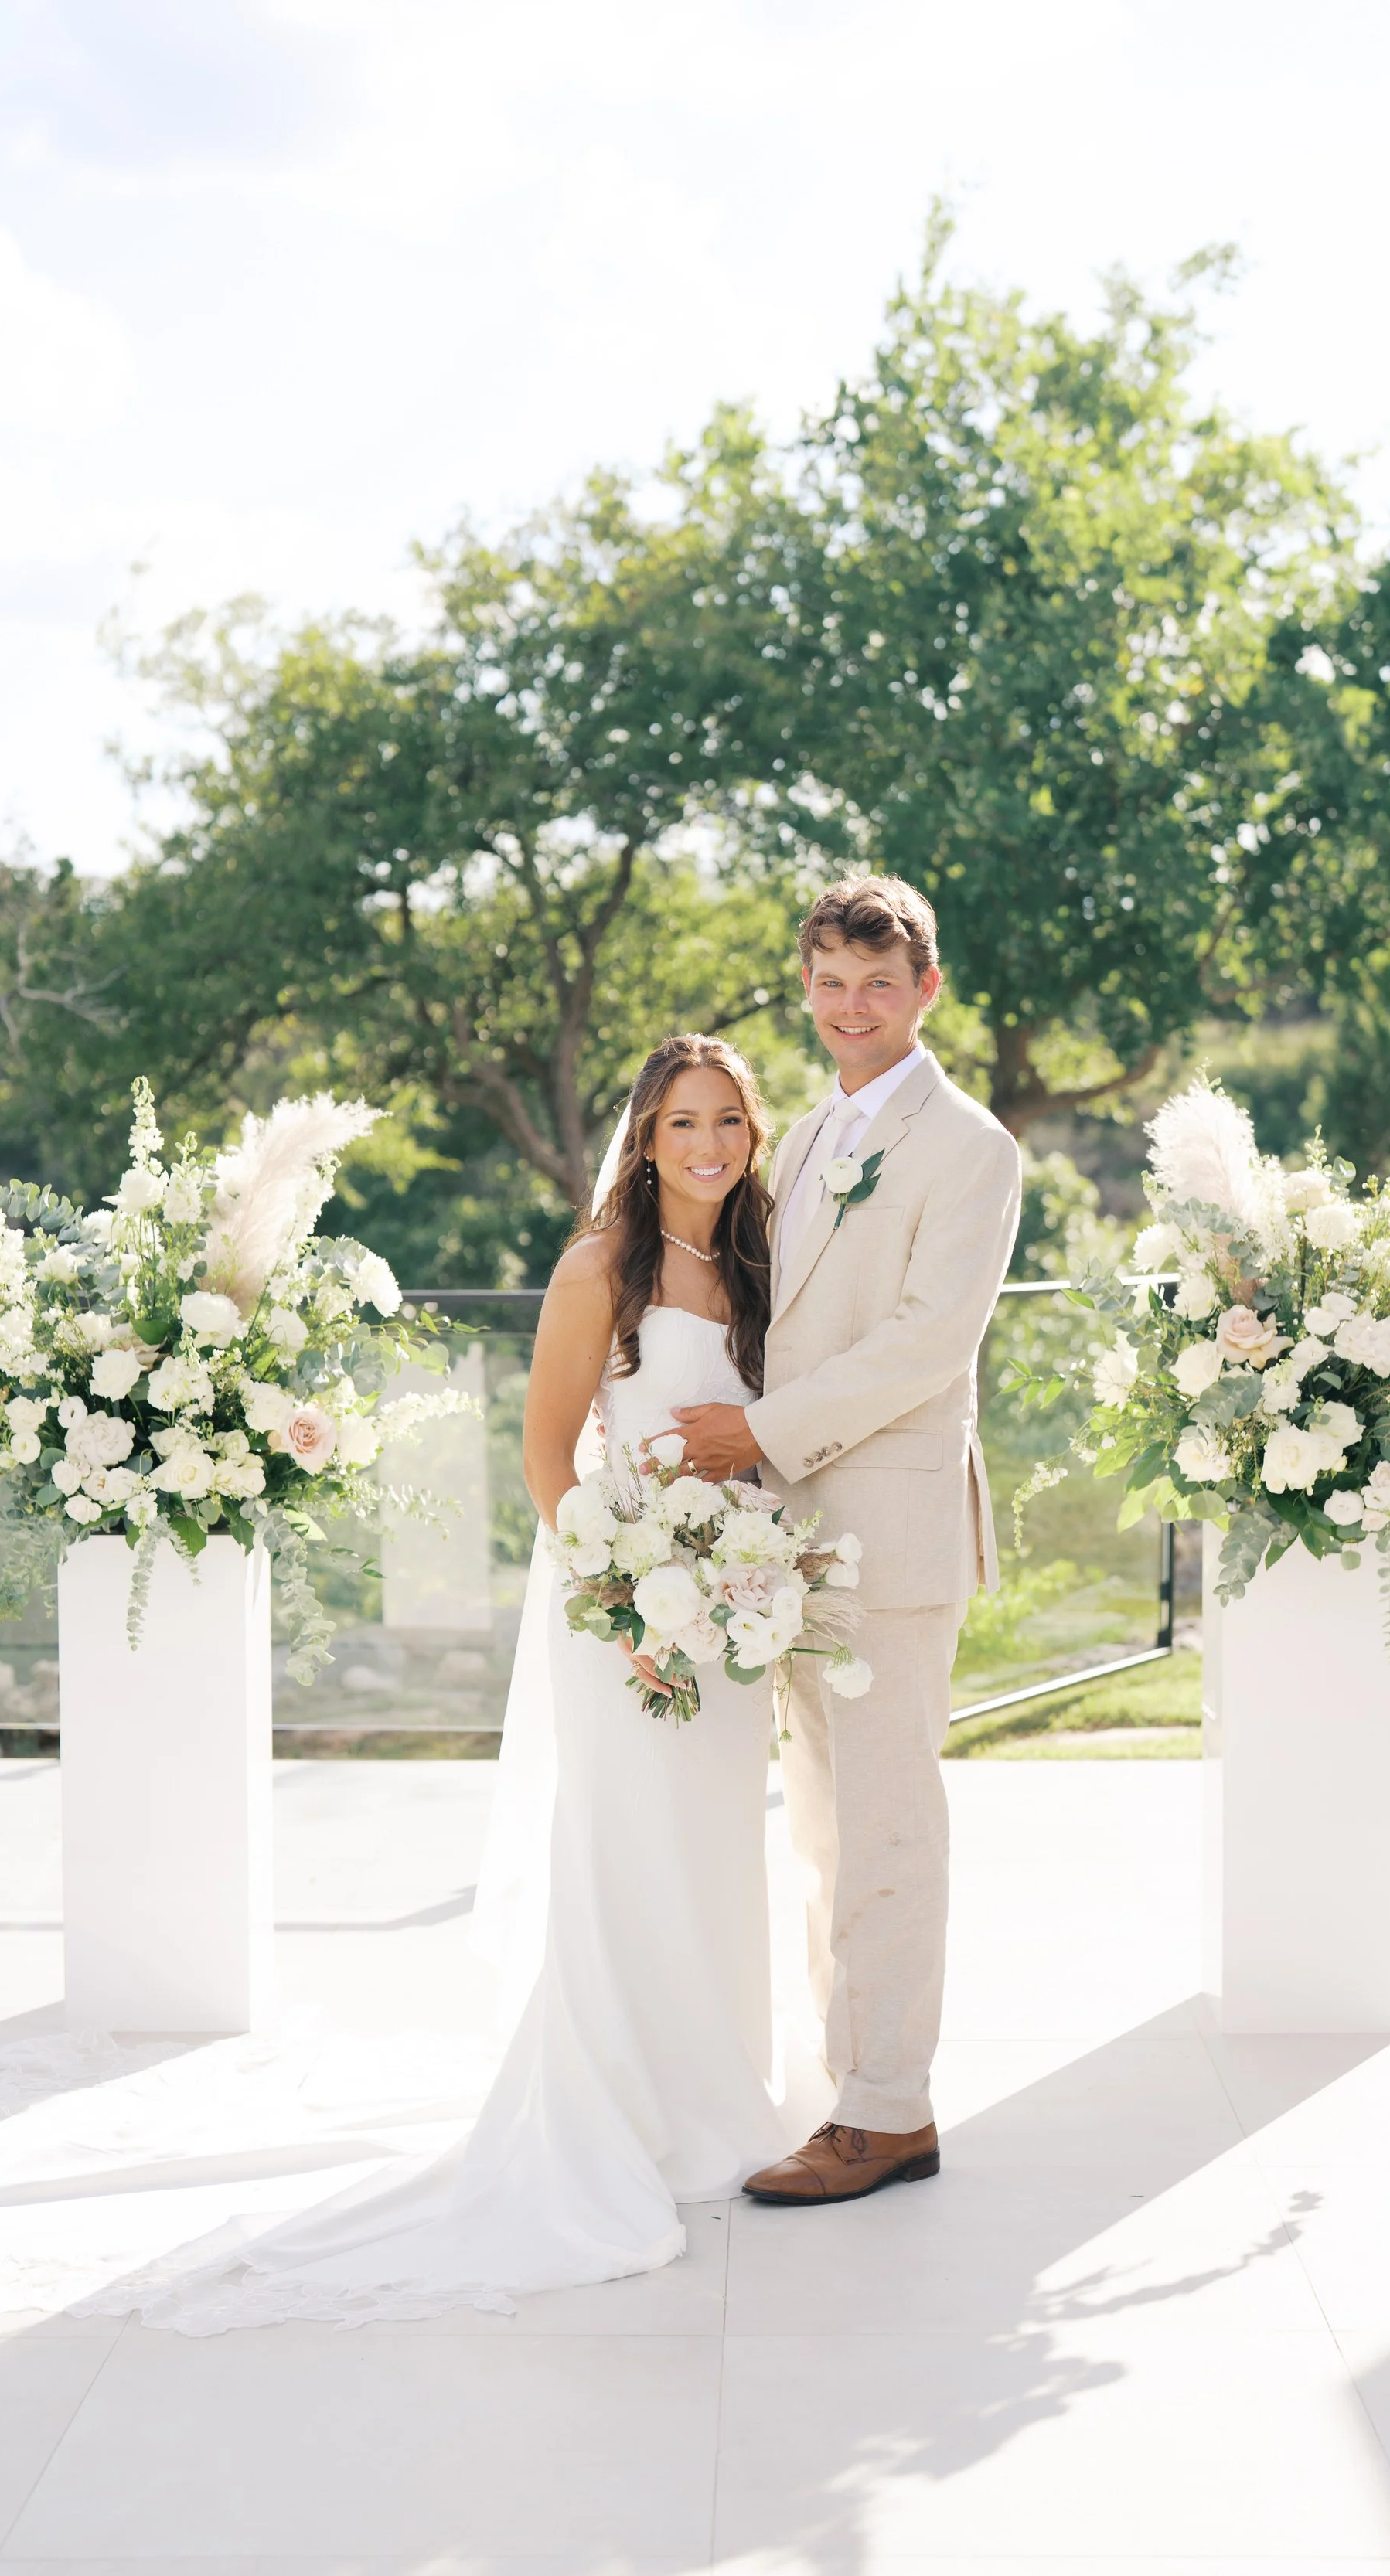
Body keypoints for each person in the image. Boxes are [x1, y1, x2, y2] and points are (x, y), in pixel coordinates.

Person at [115, 1033, 792, 2327]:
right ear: (644, 1142)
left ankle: (716, 2102)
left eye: (729, 1123)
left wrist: (746, 1588)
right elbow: (548, 1456)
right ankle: (615, 2120)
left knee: (712, 1853)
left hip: (731, 1611)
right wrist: (621, 1601)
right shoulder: (601, 1267)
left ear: (751, 1136)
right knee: (623, 1852)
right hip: (621, 1602)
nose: (708, 1146)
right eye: (681, 1124)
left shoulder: (762, 1266)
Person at [673, 876, 1021, 2207]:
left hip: (890, 1526)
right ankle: (851, 2081)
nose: (852, 1007)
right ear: (805, 987)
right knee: (824, 1825)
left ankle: (889, 2113)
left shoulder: (973, 1147)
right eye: (829, 982)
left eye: (880, 983)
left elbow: (929, 1341)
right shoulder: (811, 1135)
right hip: (796, 1541)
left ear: (927, 990)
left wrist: (755, 1433)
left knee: (884, 1829)